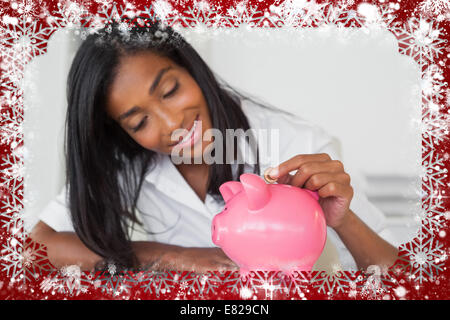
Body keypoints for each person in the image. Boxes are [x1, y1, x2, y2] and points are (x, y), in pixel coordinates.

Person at [30, 20, 399, 273]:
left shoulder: (289, 142)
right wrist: (168, 255)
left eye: (170, 90)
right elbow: (39, 246)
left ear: (192, 68)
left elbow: (398, 276)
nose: (172, 124)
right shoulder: (130, 162)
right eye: (139, 121)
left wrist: (343, 220)